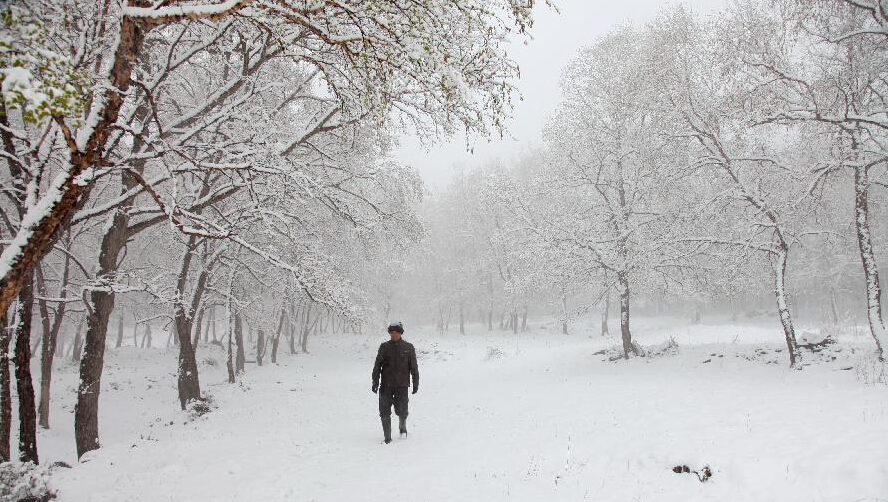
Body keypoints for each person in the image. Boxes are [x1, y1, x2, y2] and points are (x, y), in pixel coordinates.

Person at [371, 321, 419, 444]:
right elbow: (377, 366)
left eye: (396, 332)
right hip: (386, 385)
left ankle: (402, 428)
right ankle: (387, 437)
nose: (393, 334)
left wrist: (415, 382)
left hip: (402, 386)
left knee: (402, 411)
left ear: (400, 332)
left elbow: (413, 367)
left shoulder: (408, 347)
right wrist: (375, 381)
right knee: (384, 411)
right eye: (391, 332)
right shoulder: (384, 347)